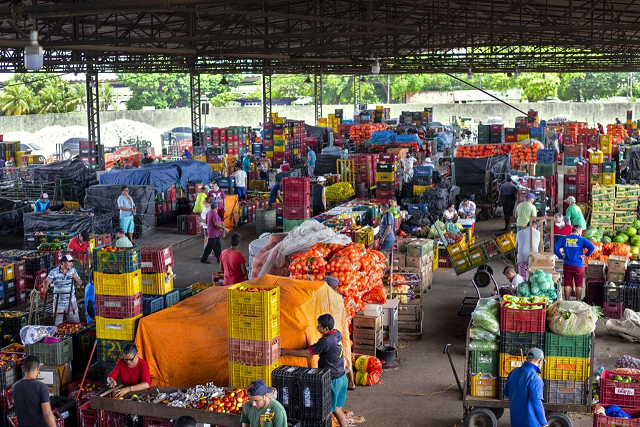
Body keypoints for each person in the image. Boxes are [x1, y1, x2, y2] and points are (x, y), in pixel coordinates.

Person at [282, 314, 348, 427]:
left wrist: (286, 351)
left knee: (329, 411)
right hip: (342, 377)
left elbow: (307, 353)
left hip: (332, 381)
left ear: (326, 329)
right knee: (337, 409)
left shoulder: (326, 341)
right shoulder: (337, 333)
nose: (317, 328)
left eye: (319, 326)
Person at [503, 348, 547, 427]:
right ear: (540, 361)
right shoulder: (535, 379)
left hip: (515, 421)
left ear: (527, 359)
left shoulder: (513, 372)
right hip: (531, 423)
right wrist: (544, 424)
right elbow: (537, 404)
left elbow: (506, 392)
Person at [12, 356, 57, 427]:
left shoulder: (15, 386)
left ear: (23, 368)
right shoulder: (41, 387)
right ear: (38, 368)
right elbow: (47, 413)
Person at [555, 226, 595, 301]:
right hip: (579, 265)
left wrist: (560, 256)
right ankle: (578, 301)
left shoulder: (565, 238)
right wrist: (585, 255)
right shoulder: (582, 239)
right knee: (579, 285)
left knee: (567, 284)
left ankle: (566, 301)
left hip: (567, 264)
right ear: (578, 231)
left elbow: (555, 247)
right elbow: (592, 247)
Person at [42, 254, 82, 325]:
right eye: (70, 262)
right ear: (63, 263)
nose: (72, 264)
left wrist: (76, 278)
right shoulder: (54, 272)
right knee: (58, 325)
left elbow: (80, 283)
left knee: (75, 324)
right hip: (58, 303)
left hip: (71, 301)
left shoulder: (73, 271)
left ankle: (75, 336)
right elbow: (46, 282)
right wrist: (45, 286)